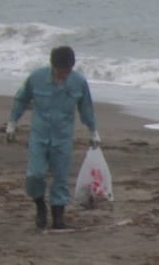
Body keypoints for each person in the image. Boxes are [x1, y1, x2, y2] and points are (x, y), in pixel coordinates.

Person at [6, 45, 99, 231]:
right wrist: (12, 123)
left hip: (63, 136)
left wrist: (93, 130)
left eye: (68, 71)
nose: (64, 75)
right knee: (35, 174)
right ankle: (40, 205)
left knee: (60, 178)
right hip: (39, 134)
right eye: (61, 71)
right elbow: (21, 99)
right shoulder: (37, 77)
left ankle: (58, 217)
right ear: (53, 66)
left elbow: (86, 107)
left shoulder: (78, 82)